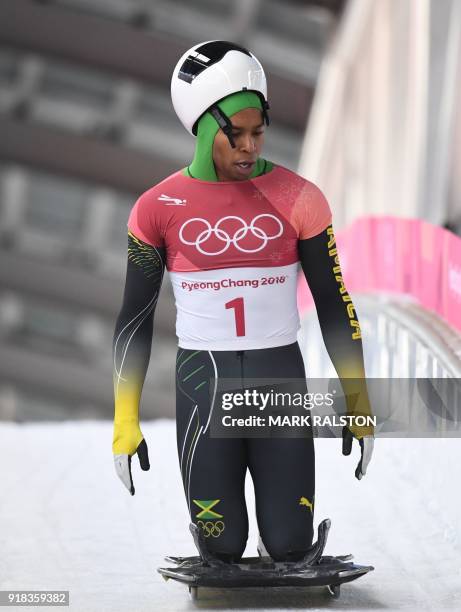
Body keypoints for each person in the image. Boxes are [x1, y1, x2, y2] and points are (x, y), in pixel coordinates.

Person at [112, 40, 374, 563]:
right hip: (203, 384)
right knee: (222, 544)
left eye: (259, 132)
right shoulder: (156, 210)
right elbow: (134, 320)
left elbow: (333, 303)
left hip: (279, 379)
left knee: (288, 544)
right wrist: (125, 421)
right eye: (236, 135)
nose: (250, 147)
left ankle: (286, 537)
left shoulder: (301, 198)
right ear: (206, 128)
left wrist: (359, 401)